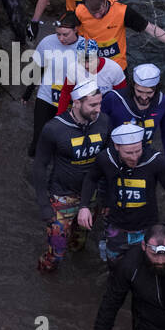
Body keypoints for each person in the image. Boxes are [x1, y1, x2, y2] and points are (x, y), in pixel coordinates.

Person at [33, 79, 110, 273]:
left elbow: (108, 161)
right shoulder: (54, 129)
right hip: (62, 196)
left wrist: (107, 197)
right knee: (56, 253)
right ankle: (45, 276)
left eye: (100, 103)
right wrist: (44, 205)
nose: (98, 109)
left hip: (90, 196)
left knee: (78, 244)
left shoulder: (104, 122)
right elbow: (40, 166)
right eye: (93, 105)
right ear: (76, 103)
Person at [78, 122, 165, 262]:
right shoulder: (106, 159)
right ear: (116, 146)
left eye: (137, 151)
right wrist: (83, 206)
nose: (134, 157)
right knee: (114, 268)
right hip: (116, 227)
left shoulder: (155, 161)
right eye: (128, 153)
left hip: (147, 227)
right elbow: (91, 178)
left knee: (150, 267)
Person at [75, 0, 165, 74]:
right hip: (89, 67)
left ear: (105, 1)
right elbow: (67, 32)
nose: (97, 16)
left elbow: (150, 28)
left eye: (100, 11)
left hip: (116, 68)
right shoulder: (79, 11)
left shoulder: (122, 12)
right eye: (93, 13)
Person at [23, 11, 82, 156]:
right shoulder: (47, 42)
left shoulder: (87, 47)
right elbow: (38, 69)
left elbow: (89, 79)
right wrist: (28, 93)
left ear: (76, 29)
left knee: (63, 141)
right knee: (39, 138)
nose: (61, 38)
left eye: (65, 34)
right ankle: (35, 166)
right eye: (58, 34)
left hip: (71, 101)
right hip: (46, 96)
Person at [101, 62, 165, 172]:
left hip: (143, 160)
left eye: (149, 92)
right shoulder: (113, 99)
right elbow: (98, 131)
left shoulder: (163, 102)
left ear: (157, 89)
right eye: (139, 91)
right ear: (132, 86)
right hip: (114, 160)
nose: (144, 97)